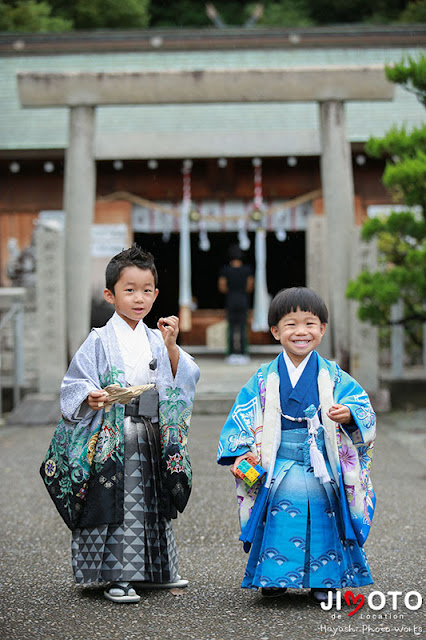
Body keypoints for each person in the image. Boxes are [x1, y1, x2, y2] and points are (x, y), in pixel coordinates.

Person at [55, 245, 199, 603]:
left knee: (154, 500)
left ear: (156, 294)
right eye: (129, 290)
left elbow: (186, 377)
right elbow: (75, 383)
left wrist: (171, 347)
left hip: (150, 429)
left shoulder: (156, 337)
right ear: (110, 294)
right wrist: (90, 396)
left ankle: (156, 571)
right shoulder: (99, 340)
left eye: (147, 290)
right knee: (121, 504)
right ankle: (117, 576)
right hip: (113, 434)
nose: (140, 298)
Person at [217, 287, 376, 603]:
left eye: (310, 323)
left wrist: (349, 415)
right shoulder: (264, 378)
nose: (301, 331)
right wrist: (242, 451)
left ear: (322, 329)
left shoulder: (333, 376)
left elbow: (363, 407)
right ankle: (274, 578)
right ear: (275, 331)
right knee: (278, 517)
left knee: (324, 516)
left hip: (322, 463)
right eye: (291, 324)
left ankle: (325, 579)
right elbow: (242, 415)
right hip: (280, 461)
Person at [218, 244, 254, 364]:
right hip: (243, 299)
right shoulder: (247, 270)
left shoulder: (225, 270)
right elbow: (250, 286)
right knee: (243, 327)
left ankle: (231, 353)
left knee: (231, 328)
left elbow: (222, 286)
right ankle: (243, 353)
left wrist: (231, 290)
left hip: (231, 299)